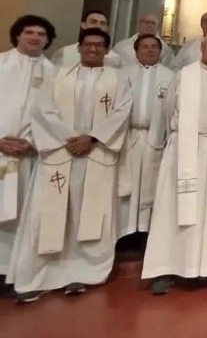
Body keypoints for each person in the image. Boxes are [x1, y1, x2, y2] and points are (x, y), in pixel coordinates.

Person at [8, 28, 132, 303]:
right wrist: (68, 139)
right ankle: (39, 277)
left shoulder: (117, 78)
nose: (93, 49)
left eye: (99, 46)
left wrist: (92, 138)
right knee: (49, 216)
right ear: (79, 47)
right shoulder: (57, 74)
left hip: (96, 153)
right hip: (60, 154)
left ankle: (83, 273)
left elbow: (122, 111)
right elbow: (42, 109)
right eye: (88, 45)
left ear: (107, 50)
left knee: (88, 216)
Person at [141, 32, 207, 295]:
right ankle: (166, 269)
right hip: (185, 151)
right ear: (202, 48)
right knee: (174, 209)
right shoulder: (184, 74)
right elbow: (168, 109)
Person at [0, 16, 57, 279]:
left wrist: (33, 143)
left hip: (31, 154)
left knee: (23, 215)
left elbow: (58, 116)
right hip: (1, 148)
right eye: (29, 32)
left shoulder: (54, 73)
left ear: (47, 40)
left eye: (40, 34)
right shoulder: (1, 63)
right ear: (17, 35)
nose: (34, 37)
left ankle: (14, 273)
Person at [116, 34, 175, 240]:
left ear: (160, 52)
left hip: (157, 137)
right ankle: (124, 233)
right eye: (145, 47)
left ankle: (146, 233)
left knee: (152, 184)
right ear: (136, 50)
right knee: (127, 186)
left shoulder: (171, 76)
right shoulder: (123, 74)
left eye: (154, 47)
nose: (150, 50)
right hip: (129, 137)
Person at [52, 10, 121, 68]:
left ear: (107, 28)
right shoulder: (65, 53)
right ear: (83, 25)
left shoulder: (115, 58)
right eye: (93, 22)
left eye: (102, 23)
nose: (98, 26)